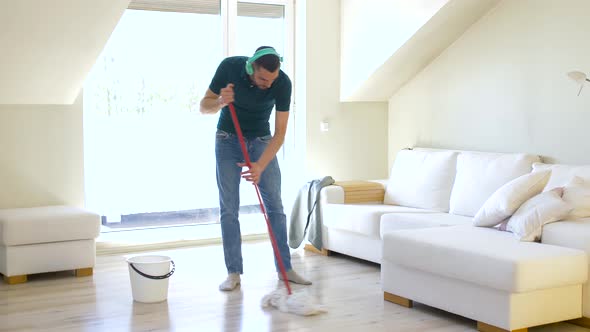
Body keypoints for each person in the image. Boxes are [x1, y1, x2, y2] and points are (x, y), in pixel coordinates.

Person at [200, 46, 311, 291]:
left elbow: (280, 133)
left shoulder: (282, 83)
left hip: (262, 142)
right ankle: (234, 273)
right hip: (228, 140)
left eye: (271, 79)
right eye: (262, 78)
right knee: (229, 208)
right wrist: (220, 101)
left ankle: (285, 269)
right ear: (251, 68)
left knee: (276, 207)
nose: (268, 84)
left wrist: (261, 164)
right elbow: (203, 106)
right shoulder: (229, 67)